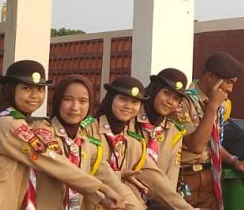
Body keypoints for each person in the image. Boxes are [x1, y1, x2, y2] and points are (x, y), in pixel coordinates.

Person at [0, 60, 125, 209]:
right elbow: (50, 160)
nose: (34, 95)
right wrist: (101, 188)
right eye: (26, 88)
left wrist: (99, 195)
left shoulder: (18, 122)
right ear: (11, 90)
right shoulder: (8, 124)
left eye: (40, 89)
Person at [83, 76, 194, 209]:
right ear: (111, 98)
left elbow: (156, 179)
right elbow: (96, 173)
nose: (128, 106)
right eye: (122, 99)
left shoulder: (134, 141)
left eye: (135, 102)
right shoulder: (87, 130)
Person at [37, 74, 142, 209]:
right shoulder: (42, 134)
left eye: (83, 101)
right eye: (67, 99)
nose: (75, 107)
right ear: (57, 101)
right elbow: (65, 170)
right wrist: (102, 189)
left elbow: (113, 183)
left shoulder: (88, 145)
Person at [178, 52, 244, 210]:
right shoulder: (183, 101)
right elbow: (196, 146)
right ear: (210, 76)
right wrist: (212, 107)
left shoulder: (217, 104)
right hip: (185, 177)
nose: (230, 89)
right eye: (228, 82)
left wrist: (233, 161)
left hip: (208, 177)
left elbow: (212, 142)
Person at [133, 68, 189, 191]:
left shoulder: (174, 132)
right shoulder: (131, 120)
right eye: (166, 93)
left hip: (158, 197)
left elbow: (171, 177)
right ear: (154, 90)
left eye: (176, 99)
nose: (170, 102)